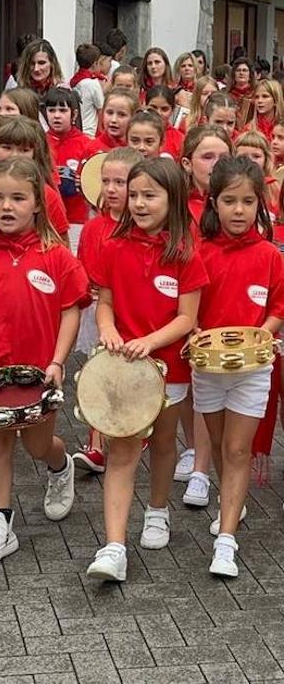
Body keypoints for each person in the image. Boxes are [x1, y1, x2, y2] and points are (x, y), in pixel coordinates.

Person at [0, 157, 88, 564]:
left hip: (40, 375)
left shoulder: (56, 256)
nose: (6, 206)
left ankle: (60, 465)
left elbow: (71, 308)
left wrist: (57, 360)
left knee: (36, 445)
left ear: (38, 202)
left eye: (18, 197)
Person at [87, 158, 208, 582]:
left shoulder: (185, 252)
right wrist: (107, 330)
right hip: (122, 368)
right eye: (133, 194)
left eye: (149, 195)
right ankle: (114, 546)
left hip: (168, 369)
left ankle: (157, 510)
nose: (138, 202)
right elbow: (104, 302)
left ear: (172, 199)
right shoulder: (112, 246)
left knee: (161, 444)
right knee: (121, 451)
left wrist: (150, 341)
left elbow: (187, 317)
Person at [194, 157, 284, 577]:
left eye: (247, 201)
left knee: (236, 449)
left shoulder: (269, 255)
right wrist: (194, 331)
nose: (238, 210)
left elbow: (278, 306)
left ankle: (226, 540)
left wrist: (261, 334)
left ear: (259, 205)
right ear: (214, 202)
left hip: (252, 370)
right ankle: (233, 496)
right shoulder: (200, 251)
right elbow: (188, 307)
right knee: (216, 446)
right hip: (208, 368)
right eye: (229, 200)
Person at [73, 147, 142, 472]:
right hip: (99, 312)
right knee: (98, 375)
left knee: (131, 378)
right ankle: (96, 444)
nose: (111, 189)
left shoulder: (142, 227)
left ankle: (134, 430)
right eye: (106, 181)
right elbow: (83, 267)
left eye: (120, 181)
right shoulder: (93, 228)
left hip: (133, 313)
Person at [175, 125, 232, 500]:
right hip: (185, 302)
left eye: (222, 157)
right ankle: (195, 447)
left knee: (212, 384)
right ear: (187, 163)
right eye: (207, 157)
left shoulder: (234, 201)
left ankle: (204, 466)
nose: (215, 165)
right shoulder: (179, 206)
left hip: (222, 302)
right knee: (188, 385)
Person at [0, 116, 69, 258]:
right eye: (7, 148)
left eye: (24, 150)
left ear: (34, 153)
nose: (14, 155)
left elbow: (62, 243)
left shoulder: (47, 195)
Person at [44, 86, 93, 252]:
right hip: (46, 219)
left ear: (74, 114)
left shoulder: (87, 144)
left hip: (76, 219)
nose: (57, 115)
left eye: (63, 110)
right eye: (51, 110)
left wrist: (81, 182)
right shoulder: (39, 142)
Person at [234, 131, 280, 218]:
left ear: (266, 159)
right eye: (243, 156)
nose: (250, 161)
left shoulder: (273, 187)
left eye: (256, 156)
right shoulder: (226, 185)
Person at [83, 87, 137, 157]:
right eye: (110, 113)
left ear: (134, 117)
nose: (113, 120)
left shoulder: (137, 148)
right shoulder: (91, 148)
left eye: (122, 115)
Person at [70, 43, 105, 137]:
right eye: (100, 63)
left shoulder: (74, 81)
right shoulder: (93, 84)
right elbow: (101, 109)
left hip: (77, 129)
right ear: (95, 64)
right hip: (90, 132)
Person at [15, 38, 64, 106]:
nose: (36, 69)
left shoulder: (63, 92)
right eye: (32, 63)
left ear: (52, 63)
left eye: (41, 63)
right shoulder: (18, 95)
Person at [145, 85, 184, 159]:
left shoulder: (179, 139)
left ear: (172, 110)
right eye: (153, 107)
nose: (158, 113)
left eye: (164, 109)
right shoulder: (134, 131)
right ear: (145, 106)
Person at [227, 57, 257, 130]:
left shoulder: (256, 94)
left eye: (245, 70)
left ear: (250, 75)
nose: (241, 73)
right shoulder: (227, 94)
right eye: (238, 70)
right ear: (234, 75)